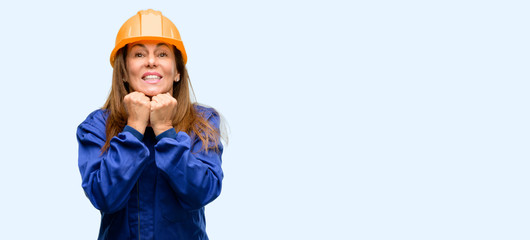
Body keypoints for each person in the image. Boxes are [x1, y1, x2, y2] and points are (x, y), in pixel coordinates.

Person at [77, 9, 224, 240]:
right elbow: (103, 196)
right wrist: (133, 128)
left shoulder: (202, 123)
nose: (152, 62)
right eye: (139, 54)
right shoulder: (96, 126)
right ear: (124, 71)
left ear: (177, 72)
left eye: (163, 54)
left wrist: (166, 131)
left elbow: (202, 193)